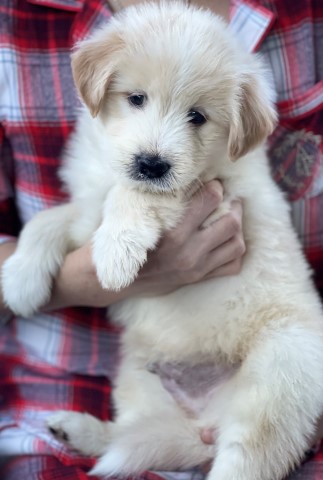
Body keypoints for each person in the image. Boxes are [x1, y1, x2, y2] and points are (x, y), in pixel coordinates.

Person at [0, 0, 322, 479]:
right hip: (92, 375)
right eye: (136, 99)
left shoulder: (232, 141)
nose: (157, 147)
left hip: (256, 339)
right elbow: (88, 222)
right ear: (98, 84)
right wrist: (44, 250)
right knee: (139, 371)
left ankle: (245, 463)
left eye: (196, 117)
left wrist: (128, 212)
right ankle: (125, 436)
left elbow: (205, 205)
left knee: (296, 350)